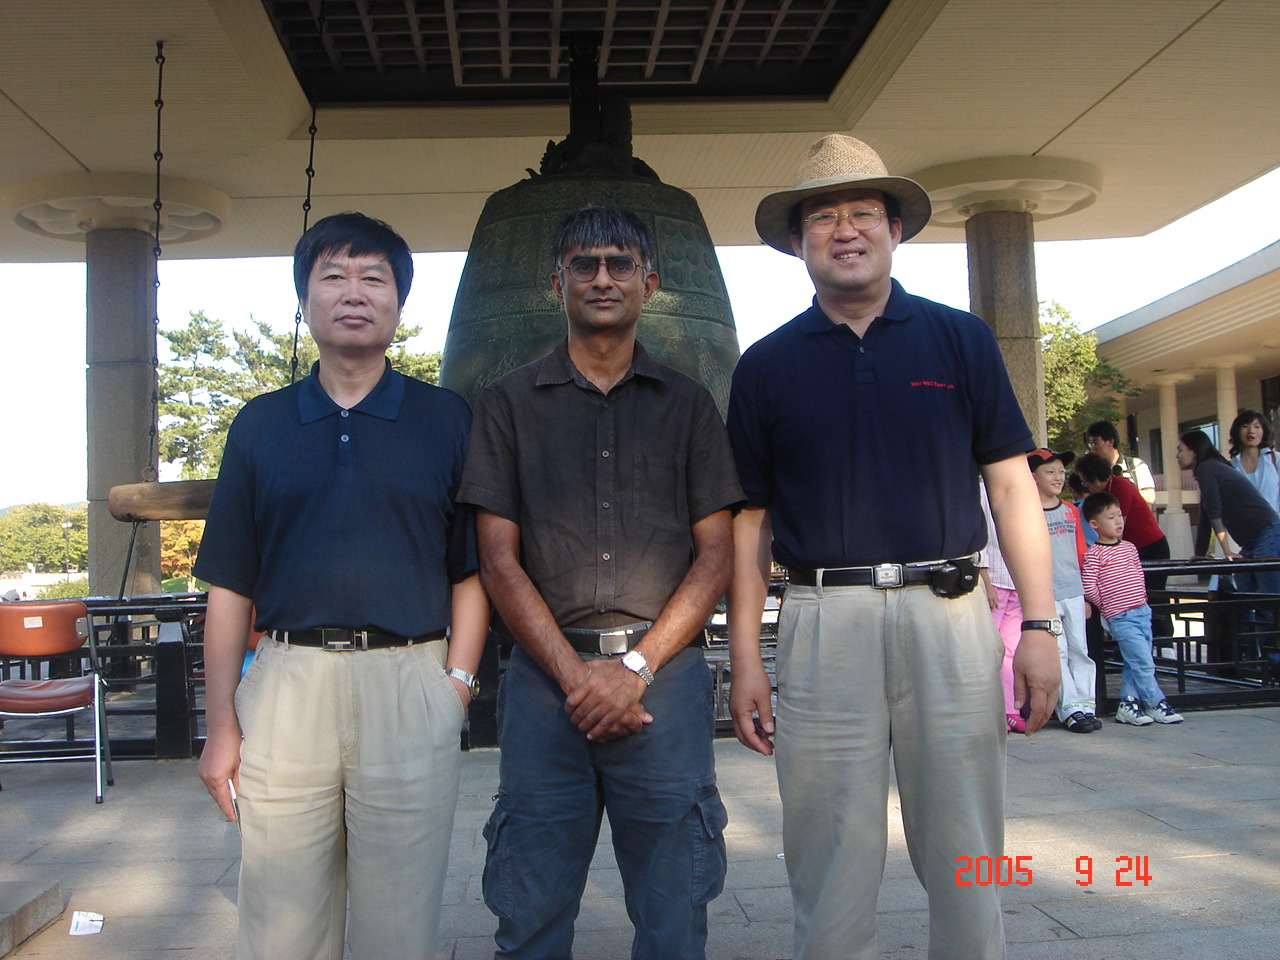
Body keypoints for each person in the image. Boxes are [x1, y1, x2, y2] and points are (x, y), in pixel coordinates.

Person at [726, 133, 1060, 960]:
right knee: (828, 860)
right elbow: (750, 521)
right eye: (824, 216)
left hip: (949, 616)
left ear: (896, 229)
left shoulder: (961, 340)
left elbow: (1011, 487)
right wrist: (745, 658)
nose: (845, 230)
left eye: (863, 212)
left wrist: (1042, 626)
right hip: (821, 621)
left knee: (968, 852)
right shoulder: (765, 366)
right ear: (798, 241)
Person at [194, 212, 488, 960]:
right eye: (333, 276)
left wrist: (455, 684)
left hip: (410, 681)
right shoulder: (260, 426)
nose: (353, 292)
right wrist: (222, 725)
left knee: (399, 926)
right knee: (280, 925)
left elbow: (471, 568)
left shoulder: (446, 419)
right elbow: (228, 585)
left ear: (399, 302)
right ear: (305, 301)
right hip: (286, 684)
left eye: (373, 278)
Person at [458, 205, 742, 960]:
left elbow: (716, 555)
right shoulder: (507, 405)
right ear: (557, 284)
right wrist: (577, 677)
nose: (603, 278)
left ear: (651, 282)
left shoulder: (688, 405)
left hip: (664, 684)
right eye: (584, 265)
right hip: (544, 686)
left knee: (674, 912)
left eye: (621, 264)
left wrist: (634, 669)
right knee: (530, 912)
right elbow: (497, 559)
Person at [1080, 492, 1184, 725]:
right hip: (1121, 616)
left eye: (1119, 516)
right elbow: (1089, 586)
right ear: (1094, 524)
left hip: (1142, 611)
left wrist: (1142, 601)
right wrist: (1107, 606)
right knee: (1143, 662)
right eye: (1111, 518)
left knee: (1135, 661)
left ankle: (1128, 704)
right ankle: (1155, 703)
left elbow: (1138, 574)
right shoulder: (1094, 554)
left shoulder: (1129, 548)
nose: (1118, 521)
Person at [1028, 449, 1099, 733]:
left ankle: (1087, 703)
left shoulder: (1071, 511)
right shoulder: (1027, 513)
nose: (1058, 477)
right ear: (1033, 476)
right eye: (1050, 472)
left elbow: (1082, 553)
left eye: (1061, 471)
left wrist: (1087, 595)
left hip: (1074, 591)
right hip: (1045, 595)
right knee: (1057, 652)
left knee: (1080, 649)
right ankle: (1069, 707)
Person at [1076, 451, 1173, 635]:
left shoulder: (1120, 486)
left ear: (1094, 479)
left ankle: (1163, 638)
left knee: (1154, 595)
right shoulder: (1108, 490)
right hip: (1133, 548)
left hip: (1150, 546)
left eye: (1085, 481)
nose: (1085, 486)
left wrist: (1108, 555)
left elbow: (1118, 528)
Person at [1178, 429, 1280, 594]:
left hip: (1266, 534)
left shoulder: (1206, 468)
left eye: (1180, 450)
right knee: (1245, 590)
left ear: (1194, 451)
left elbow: (1214, 510)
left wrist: (1226, 550)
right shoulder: (1210, 468)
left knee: (1268, 597)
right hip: (1252, 541)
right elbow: (1205, 514)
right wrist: (1199, 553)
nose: (1177, 456)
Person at [1086, 420, 1155, 504]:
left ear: (1110, 442)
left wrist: (1122, 491)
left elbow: (1150, 496)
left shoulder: (1134, 465)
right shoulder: (1094, 472)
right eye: (1091, 444)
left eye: (1095, 443)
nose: (1092, 449)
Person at [1228, 409, 1280, 513]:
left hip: (1274, 521)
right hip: (1244, 522)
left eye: (1257, 426)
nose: (1251, 431)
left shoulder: (1275, 459)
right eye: (1245, 426)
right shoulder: (1230, 467)